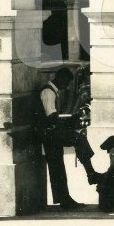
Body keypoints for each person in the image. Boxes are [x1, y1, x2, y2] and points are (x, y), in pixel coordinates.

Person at [40, 67, 97, 209]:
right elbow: (51, 117)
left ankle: (65, 199)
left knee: (58, 167)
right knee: (78, 138)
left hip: (50, 132)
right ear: (61, 78)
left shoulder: (52, 91)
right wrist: (69, 123)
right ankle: (90, 172)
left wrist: (73, 118)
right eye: (66, 83)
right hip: (50, 133)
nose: (66, 87)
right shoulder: (48, 92)